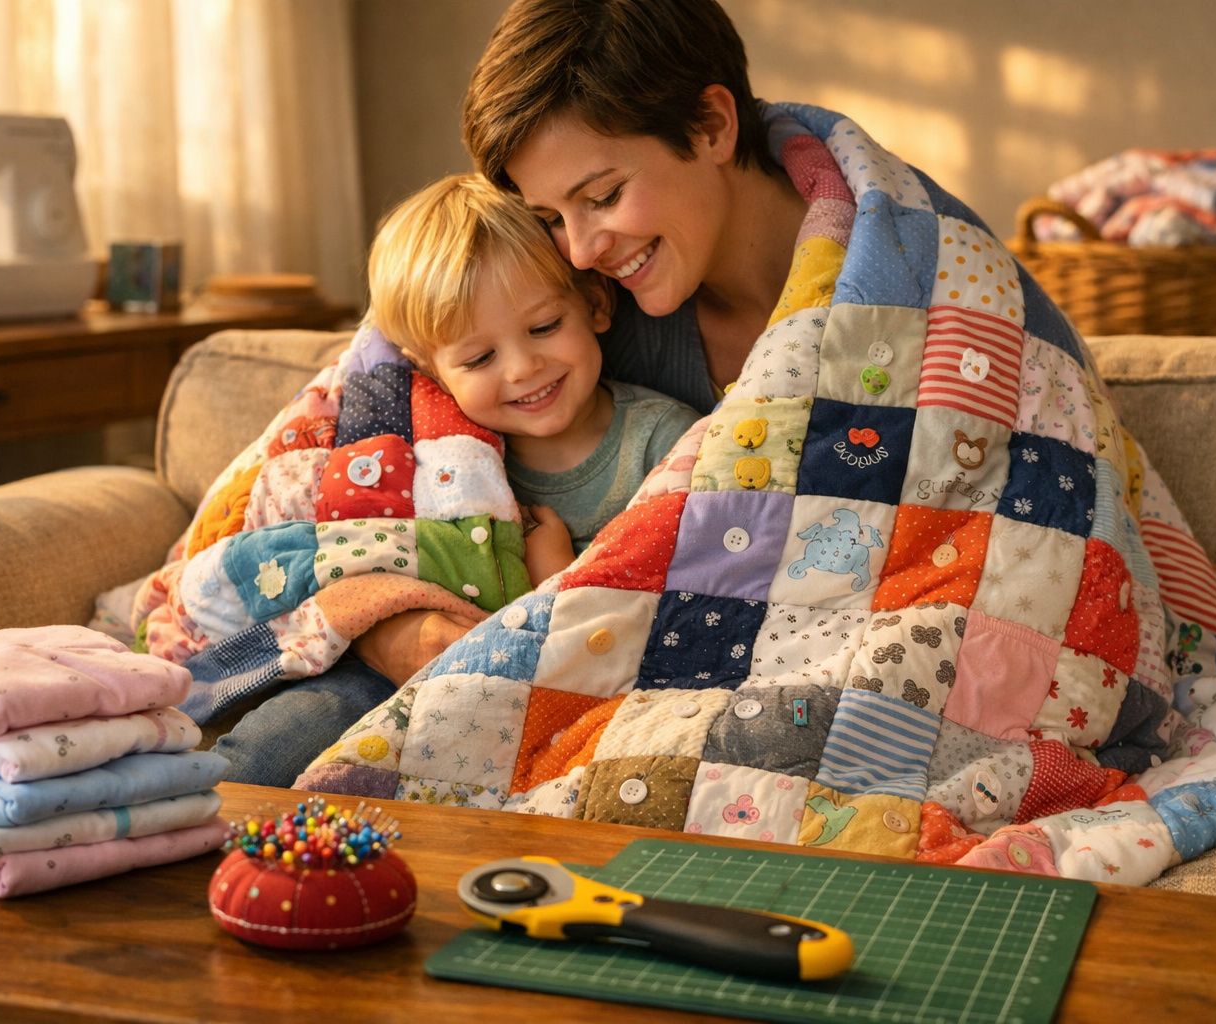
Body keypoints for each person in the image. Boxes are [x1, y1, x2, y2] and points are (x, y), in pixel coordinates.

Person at [350, 0, 807, 684]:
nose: (583, 251)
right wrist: (383, 619)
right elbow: (359, 414)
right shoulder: (551, 281)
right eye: (550, 217)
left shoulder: (918, 279)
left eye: (604, 195)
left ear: (711, 125)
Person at [212, 172, 699, 785]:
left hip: (575, 694)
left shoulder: (664, 440)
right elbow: (354, 561)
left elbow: (672, 609)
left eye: (545, 327)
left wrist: (554, 579)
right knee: (267, 754)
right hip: (404, 671)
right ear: (433, 372)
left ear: (595, 304)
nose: (524, 368)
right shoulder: (432, 461)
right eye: (479, 358)